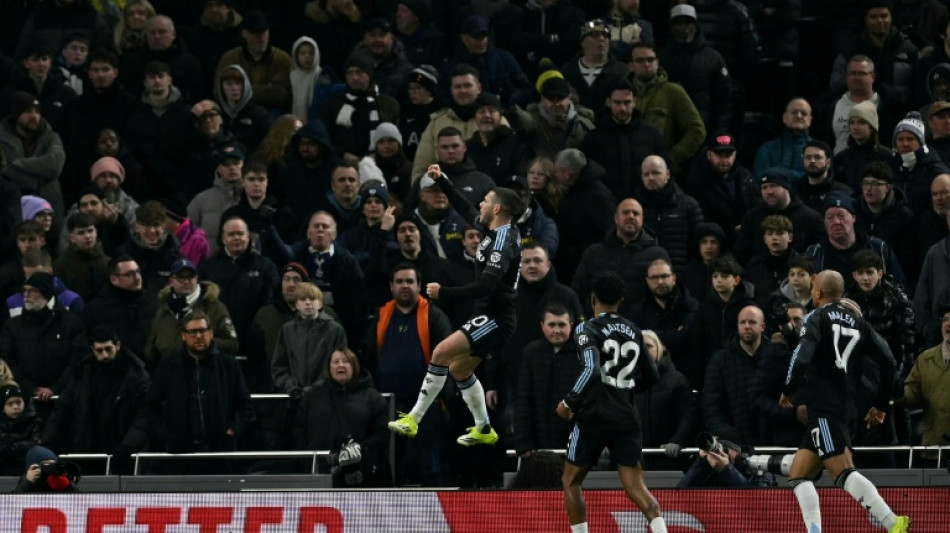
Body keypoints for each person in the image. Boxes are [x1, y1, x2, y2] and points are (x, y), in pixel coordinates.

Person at [389, 173, 523, 447]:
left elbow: (485, 286)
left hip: (496, 318)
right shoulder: (495, 230)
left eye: (486, 201)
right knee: (459, 370)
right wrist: (443, 180)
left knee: (440, 353)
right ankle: (484, 428)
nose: (480, 205)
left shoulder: (502, 244)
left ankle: (413, 418)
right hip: (490, 315)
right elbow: (464, 207)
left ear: (497, 208)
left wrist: (444, 292)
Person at [780, 270, 910, 533]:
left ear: (818, 292)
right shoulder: (859, 322)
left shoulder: (815, 317)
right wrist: (880, 405)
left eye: (813, 287)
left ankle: (894, 523)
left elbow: (801, 356)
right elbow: (889, 361)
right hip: (847, 408)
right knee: (799, 475)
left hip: (826, 409)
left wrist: (789, 389)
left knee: (843, 471)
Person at [558, 271, 667, 533]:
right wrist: (624, 389)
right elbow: (652, 375)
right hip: (626, 416)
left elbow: (592, 370)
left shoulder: (586, 328)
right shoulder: (634, 330)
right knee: (636, 487)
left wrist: (569, 402)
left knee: (571, 481)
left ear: (592, 298)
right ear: (621, 300)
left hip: (593, 415)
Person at [364, 264, 453, 486]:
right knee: (391, 465)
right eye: (399, 281)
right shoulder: (381, 316)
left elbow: (448, 356)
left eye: (410, 281)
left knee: (430, 466)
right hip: (389, 403)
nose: (405, 285)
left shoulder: (434, 316)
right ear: (391, 286)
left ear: (419, 286)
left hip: (426, 403)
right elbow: (370, 356)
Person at [144, 311, 254, 472]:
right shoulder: (168, 366)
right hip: (180, 454)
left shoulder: (229, 365)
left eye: (202, 331)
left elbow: (246, 406)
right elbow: (150, 406)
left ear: (211, 333)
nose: (198, 336)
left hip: (220, 453)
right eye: (193, 332)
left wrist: (232, 430)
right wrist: (167, 435)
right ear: (183, 335)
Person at [40, 326, 150, 474]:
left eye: (108, 349)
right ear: (92, 349)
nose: (104, 355)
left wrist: (128, 446)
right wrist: (47, 442)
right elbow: (62, 409)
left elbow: (145, 415)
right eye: (99, 350)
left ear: (117, 346)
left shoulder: (136, 376)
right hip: (89, 448)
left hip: (124, 451)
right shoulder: (82, 374)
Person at [294, 348, 392, 488]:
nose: (340, 365)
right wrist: (305, 463)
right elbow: (299, 432)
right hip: (319, 475)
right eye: (336, 362)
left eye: (346, 361)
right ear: (329, 367)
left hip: (361, 478)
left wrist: (360, 451)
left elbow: (382, 434)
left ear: (354, 366)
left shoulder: (373, 398)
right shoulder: (312, 397)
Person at [512, 304, 582, 458]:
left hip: (575, 445)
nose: (557, 330)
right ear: (542, 326)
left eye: (562, 325)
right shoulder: (531, 353)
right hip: (537, 445)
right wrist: (523, 442)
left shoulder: (583, 355)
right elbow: (523, 400)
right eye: (552, 325)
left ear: (571, 326)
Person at [271, 282, 347, 400]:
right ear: (296, 305)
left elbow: (339, 365)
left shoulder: (335, 330)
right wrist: (291, 387)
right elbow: (279, 366)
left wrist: (316, 388)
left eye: (312, 299)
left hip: (326, 397)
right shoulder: (287, 330)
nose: (307, 302)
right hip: (294, 397)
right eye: (302, 299)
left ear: (320, 303)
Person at [636, 330, 697, 471]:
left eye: (648, 346)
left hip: (668, 458)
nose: (644, 350)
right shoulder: (628, 382)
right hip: (636, 458)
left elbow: (688, 416)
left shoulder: (676, 380)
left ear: (660, 349)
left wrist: (677, 440)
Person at [898, 303, 950, 466]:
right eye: (945, 319)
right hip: (932, 447)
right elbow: (912, 393)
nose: (948, 324)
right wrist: (900, 393)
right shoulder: (925, 358)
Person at [0, 384, 42, 477]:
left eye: (18, 402)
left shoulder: (33, 420)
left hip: (28, 467)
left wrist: (12, 446)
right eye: (10, 404)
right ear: (3, 408)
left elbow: (36, 444)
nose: (15, 407)